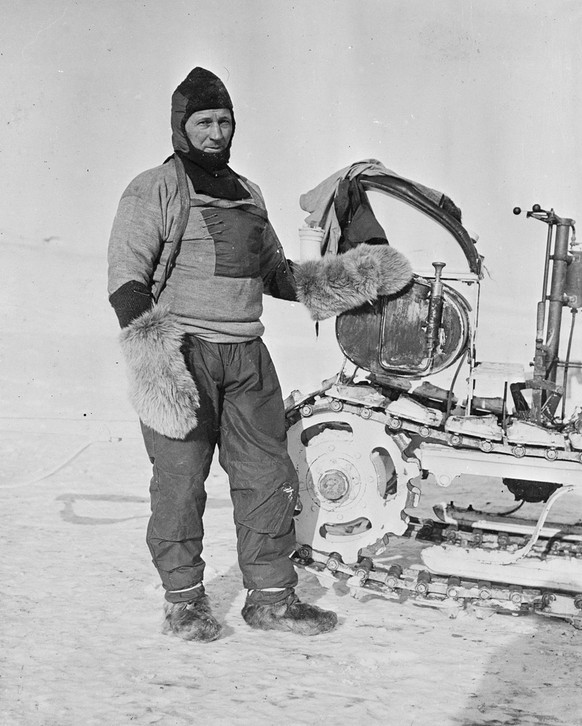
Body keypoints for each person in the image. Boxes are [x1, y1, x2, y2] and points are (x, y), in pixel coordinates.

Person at [107, 67, 412, 642]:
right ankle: (184, 602)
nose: (216, 132)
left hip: (247, 357)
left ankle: (271, 598)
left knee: (267, 477)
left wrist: (360, 278)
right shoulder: (155, 188)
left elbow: (276, 273)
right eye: (204, 122)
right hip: (184, 357)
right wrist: (157, 367)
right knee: (178, 482)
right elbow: (126, 281)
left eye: (224, 121)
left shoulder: (249, 193)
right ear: (181, 127)